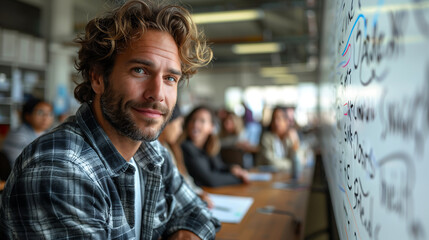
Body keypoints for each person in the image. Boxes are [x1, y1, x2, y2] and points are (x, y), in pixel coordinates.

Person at [0, 1, 220, 239]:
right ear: (97, 78)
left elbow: (198, 210)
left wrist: (187, 233)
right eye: (140, 70)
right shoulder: (59, 168)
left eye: (169, 78)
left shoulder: (151, 152)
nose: (157, 94)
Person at [158, 105, 214, 208]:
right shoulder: (159, 151)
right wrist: (194, 195)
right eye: (179, 124)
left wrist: (198, 192)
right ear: (167, 123)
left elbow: (185, 178)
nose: (180, 130)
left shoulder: (173, 148)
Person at [181, 105, 249, 187]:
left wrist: (232, 169)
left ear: (212, 127)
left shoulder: (210, 145)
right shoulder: (186, 147)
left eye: (202, 121)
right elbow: (210, 180)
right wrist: (239, 179)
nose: (195, 124)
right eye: (193, 120)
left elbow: (218, 167)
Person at [1, 97, 54, 167]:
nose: (46, 117)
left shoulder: (51, 134)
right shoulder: (18, 135)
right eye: (40, 112)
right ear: (27, 115)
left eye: (50, 113)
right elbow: (22, 165)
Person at [256, 106, 300, 171]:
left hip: (284, 177)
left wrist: (295, 142)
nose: (276, 122)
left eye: (279, 119)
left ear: (287, 121)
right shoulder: (266, 138)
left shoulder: (290, 137)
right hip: (266, 176)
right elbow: (272, 163)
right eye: (274, 119)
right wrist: (292, 165)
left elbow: (299, 160)